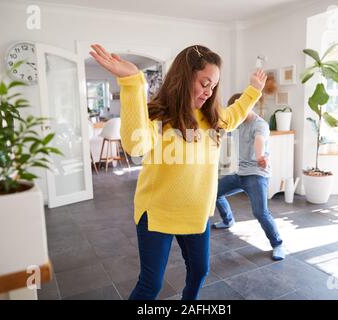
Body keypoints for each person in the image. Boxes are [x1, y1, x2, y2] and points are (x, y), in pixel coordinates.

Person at [89, 44, 267, 300]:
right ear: (184, 77)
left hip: (196, 213)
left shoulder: (213, 119)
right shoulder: (158, 117)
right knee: (150, 285)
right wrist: (132, 83)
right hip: (157, 213)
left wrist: (254, 91)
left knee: (199, 271)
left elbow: (236, 114)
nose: (209, 92)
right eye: (204, 83)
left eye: (213, 86)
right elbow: (135, 145)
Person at [213, 93, 285, 261]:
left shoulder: (260, 124)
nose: (237, 114)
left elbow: (259, 140)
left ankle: (278, 244)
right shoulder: (236, 122)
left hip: (256, 174)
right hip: (239, 173)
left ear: (249, 105)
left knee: (260, 212)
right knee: (214, 192)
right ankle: (228, 220)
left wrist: (260, 156)